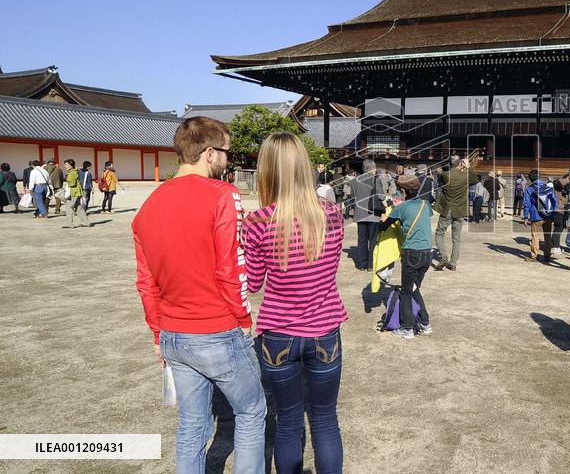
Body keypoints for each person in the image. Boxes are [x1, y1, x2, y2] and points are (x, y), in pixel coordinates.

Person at [134, 116, 266, 474]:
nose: (228, 159)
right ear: (210, 153)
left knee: (192, 425)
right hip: (217, 329)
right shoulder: (223, 195)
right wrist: (244, 320)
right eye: (226, 151)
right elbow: (231, 267)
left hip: (175, 333)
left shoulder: (148, 207)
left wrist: (158, 333)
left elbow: (146, 281)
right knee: (251, 412)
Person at [242, 132, 347, 474]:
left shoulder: (257, 223)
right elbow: (329, 271)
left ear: (266, 171)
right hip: (325, 330)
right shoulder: (331, 213)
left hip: (278, 334)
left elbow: (254, 284)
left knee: (287, 421)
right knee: (325, 419)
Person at [379, 174, 434, 339]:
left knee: (406, 292)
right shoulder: (426, 205)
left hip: (412, 253)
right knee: (414, 288)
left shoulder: (400, 208)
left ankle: (407, 328)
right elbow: (418, 213)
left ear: (403, 191)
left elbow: (383, 226)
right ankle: (425, 324)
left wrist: (384, 212)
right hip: (427, 253)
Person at [433, 155, 477, 271]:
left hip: (447, 209)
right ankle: (453, 262)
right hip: (460, 210)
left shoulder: (445, 174)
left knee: (439, 233)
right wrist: (469, 167)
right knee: (456, 237)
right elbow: (475, 180)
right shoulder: (465, 176)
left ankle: (443, 257)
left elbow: (440, 180)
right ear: (460, 163)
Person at [350, 159, 386, 271]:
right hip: (373, 213)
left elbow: (352, 196)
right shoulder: (376, 180)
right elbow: (381, 196)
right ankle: (370, 265)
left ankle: (361, 264)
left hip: (360, 213)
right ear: (372, 168)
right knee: (373, 240)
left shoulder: (354, 181)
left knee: (362, 240)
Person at [522, 169, 556, 263]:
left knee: (535, 236)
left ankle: (534, 256)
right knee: (547, 236)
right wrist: (552, 213)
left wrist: (525, 216)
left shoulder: (530, 189)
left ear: (530, 179)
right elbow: (553, 200)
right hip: (548, 216)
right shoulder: (547, 187)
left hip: (536, 216)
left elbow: (527, 203)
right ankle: (547, 256)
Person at [62, 159, 90, 228]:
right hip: (78, 192)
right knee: (79, 208)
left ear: (71, 165)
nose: (65, 166)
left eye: (67, 164)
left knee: (69, 207)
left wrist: (67, 180)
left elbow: (72, 183)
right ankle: (86, 222)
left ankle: (70, 224)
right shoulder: (76, 171)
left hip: (73, 192)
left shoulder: (71, 173)